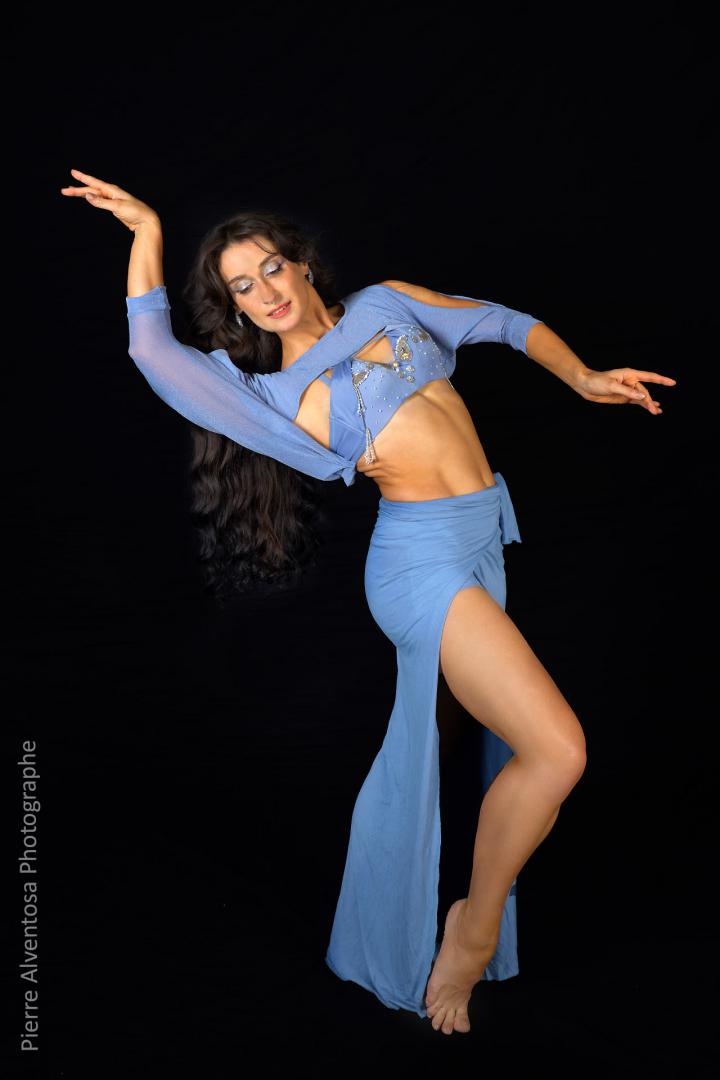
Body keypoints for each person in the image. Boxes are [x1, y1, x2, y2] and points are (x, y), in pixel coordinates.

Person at [60, 168, 676, 1036]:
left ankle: (468, 915)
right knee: (558, 750)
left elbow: (500, 321)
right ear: (235, 309)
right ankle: (473, 928)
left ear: (303, 263)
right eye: (242, 287)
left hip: (480, 538)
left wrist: (581, 377)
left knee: (520, 748)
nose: (264, 291)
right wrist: (147, 228)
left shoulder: (387, 303)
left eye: (271, 268)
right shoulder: (264, 395)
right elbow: (151, 351)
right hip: (418, 565)